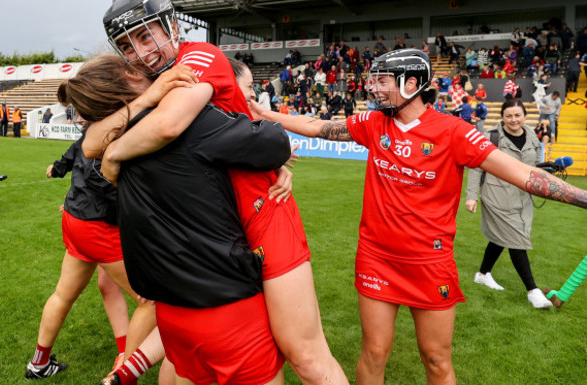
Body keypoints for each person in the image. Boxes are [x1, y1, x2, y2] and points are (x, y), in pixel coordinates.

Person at [249, 48, 587, 385]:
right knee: (374, 353)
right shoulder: (372, 122)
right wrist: (265, 113)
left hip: (430, 261)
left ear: (412, 83)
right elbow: (317, 126)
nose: (375, 89)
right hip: (376, 258)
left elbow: (526, 175)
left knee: (437, 360)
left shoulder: (455, 131)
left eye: (383, 81)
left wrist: (584, 199)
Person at [88, 0, 350, 385]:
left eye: (145, 35)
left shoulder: (200, 55)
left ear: (170, 25)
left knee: (305, 356)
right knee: (187, 355)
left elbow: (169, 126)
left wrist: (113, 154)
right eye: (127, 45)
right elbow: (90, 142)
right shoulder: (154, 85)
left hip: (263, 210)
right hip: (223, 225)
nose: (141, 52)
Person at [59, 55, 289, 385]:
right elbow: (273, 143)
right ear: (130, 75)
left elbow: (93, 142)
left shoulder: (109, 140)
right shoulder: (189, 123)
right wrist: (254, 117)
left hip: (169, 309)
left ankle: (127, 368)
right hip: (224, 303)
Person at [25, 123, 159, 380]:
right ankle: (123, 374)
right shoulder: (122, 128)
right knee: (150, 301)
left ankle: (39, 363)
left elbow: (78, 153)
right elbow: (108, 185)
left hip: (79, 218)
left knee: (77, 290)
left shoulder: (101, 127)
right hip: (97, 224)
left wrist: (62, 172)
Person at [465, 99, 552, 309]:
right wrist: (471, 196)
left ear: (524, 115)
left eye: (517, 115)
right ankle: (533, 291)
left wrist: (546, 171)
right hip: (496, 196)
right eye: (509, 116)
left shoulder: (531, 134)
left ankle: (482, 274)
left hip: (522, 197)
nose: (514, 120)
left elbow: (531, 166)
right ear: (502, 117)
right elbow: (476, 167)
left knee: (500, 238)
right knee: (516, 239)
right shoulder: (491, 137)